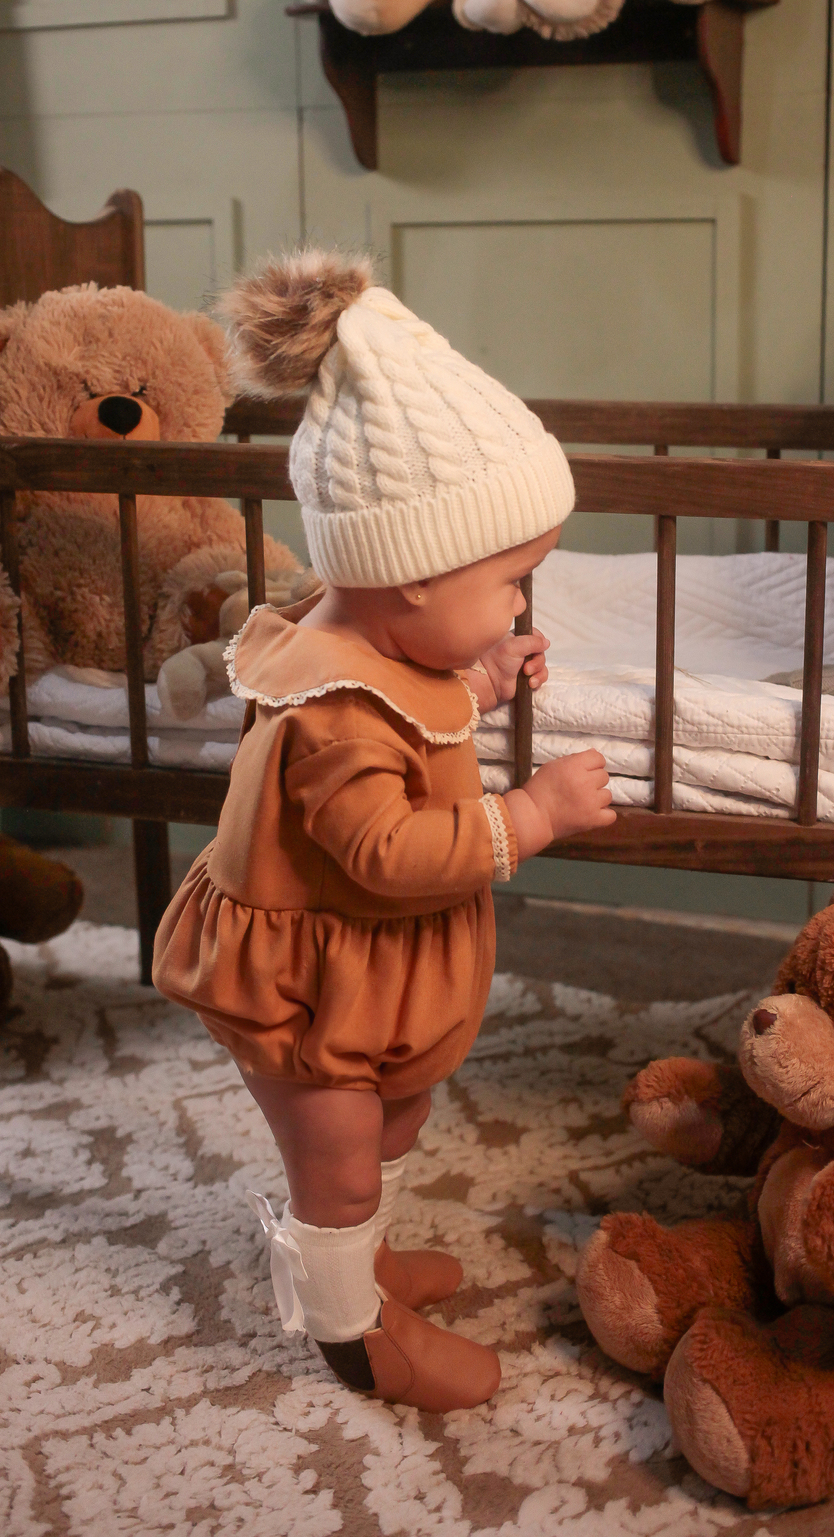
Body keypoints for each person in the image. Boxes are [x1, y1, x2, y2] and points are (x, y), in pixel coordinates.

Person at [153, 250, 614, 1412]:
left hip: (367, 970)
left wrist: (485, 676)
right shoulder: (335, 712)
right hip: (304, 988)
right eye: (511, 581)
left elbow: (426, 711)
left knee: (397, 1109)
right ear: (411, 576)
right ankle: (350, 1329)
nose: (522, 602)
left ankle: (368, 1258)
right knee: (341, 1156)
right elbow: (386, 852)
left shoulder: (388, 653)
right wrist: (531, 814)